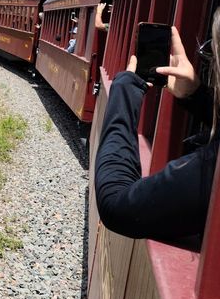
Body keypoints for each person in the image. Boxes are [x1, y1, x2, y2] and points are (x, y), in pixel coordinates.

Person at [94, 15, 220, 241]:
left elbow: (115, 204)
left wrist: (124, 90)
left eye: (212, 54)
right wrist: (196, 95)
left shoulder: (212, 169)